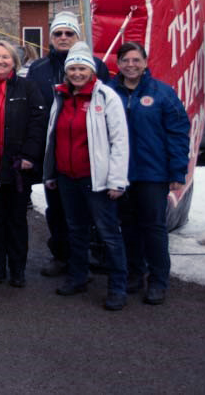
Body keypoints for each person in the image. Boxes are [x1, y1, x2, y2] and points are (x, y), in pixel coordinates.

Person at [43, 42, 130, 311]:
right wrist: (50, 172)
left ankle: (118, 287)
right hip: (67, 176)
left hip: (97, 179)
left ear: (91, 70)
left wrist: (117, 180)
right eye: (73, 69)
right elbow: (52, 136)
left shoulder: (105, 97)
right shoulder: (61, 96)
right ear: (66, 72)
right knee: (76, 230)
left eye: (82, 68)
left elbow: (120, 140)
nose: (77, 73)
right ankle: (78, 277)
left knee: (108, 234)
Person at [26, 11, 111, 277]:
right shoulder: (38, 69)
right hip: (54, 152)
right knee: (58, 209)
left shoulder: (98, 66)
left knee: (92, 208)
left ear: (78, 36)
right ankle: (61, 255)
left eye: (69, 33)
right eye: (58, 33)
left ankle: (91, 255)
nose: (63, 37)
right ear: (51, 38)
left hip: (89, 151)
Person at [109, 42, 190, 305]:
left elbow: (178, 134)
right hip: (121, 174)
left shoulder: (163, 93)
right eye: (125, 61)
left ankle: (158, 280)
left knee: (154, 228)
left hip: (152, 174)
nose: (130, 65)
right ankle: (135, 273)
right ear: (118, 64)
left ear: (145, 62)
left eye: (136, 60)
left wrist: (177, 171)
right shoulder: (109, 92)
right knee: (128, 227)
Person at [0, 40, 47, 288]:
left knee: (16, 218)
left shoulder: (27, 87)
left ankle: (17, 268)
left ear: (14, 61)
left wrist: (29, 155)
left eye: (5, 57)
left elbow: (37, 123)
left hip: (17, 165)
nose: (0, 61)